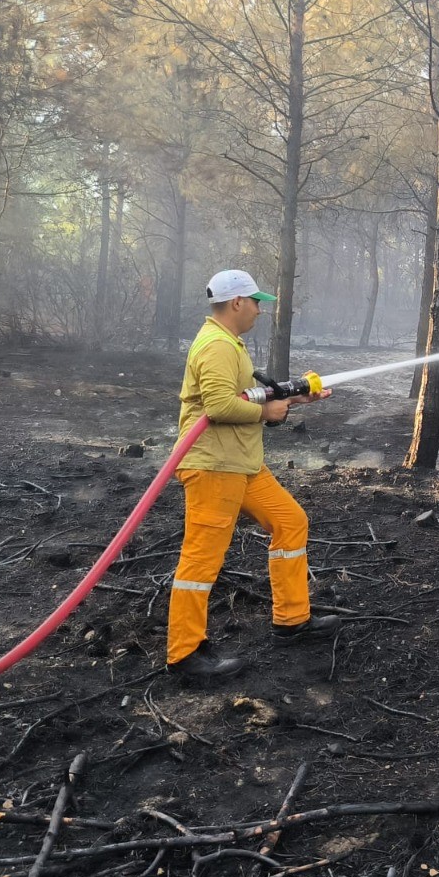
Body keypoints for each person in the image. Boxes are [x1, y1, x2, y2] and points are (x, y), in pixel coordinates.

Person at [166, 269, 336, 679]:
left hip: (241, 464)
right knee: (201, 559)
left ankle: (291, 621)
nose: (260, 310)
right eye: (255, 301)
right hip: (212, 467)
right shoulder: (217, 346)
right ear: (237, 302)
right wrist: (265, 412)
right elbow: (219, 407)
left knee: (290, 521)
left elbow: (247, 398)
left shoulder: (231, 345)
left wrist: (292, 400)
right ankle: (184, 655)